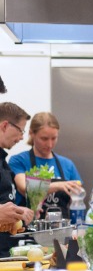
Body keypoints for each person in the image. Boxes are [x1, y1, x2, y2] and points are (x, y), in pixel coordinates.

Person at [10, 112, 83, 219]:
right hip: (29, 230)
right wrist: (58, 185)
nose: (49, 144)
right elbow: (25, 188)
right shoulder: (18, 161)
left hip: (63, 229)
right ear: (31, 133)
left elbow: (78, 200)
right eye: (44, 139)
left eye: (54, 138)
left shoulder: (67, 164)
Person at [0, 103, 34, 255]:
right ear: (5, 125)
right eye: (20, 130)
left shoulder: (4, 163)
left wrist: (16, 215)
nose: (21, 137)